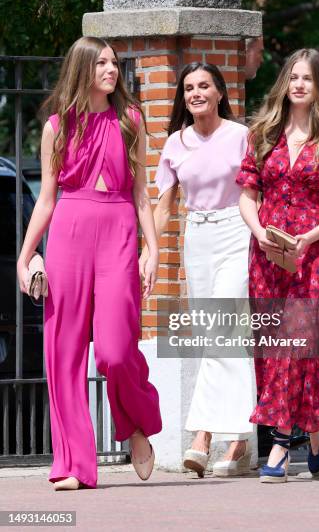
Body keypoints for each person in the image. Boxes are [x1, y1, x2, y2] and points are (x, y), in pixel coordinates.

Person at [16, 37, 162, 490]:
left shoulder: (131, 120)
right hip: (69, 234)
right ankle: (75, 465)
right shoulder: (57, 127)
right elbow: (45, 200)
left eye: (114, 63)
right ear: (82, 68)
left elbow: (141, 193)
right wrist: (26, 256)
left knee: (117, 351)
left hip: (118, 231)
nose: (111, 69)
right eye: (101, 62)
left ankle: (137, 426)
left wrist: (152, 249)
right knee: (64, 354)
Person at [237, 48, 319, 483]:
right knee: (278, 346)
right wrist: (258, 232)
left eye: (307, 79)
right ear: (284, 83)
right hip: (269, 255)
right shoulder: (262, 134)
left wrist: (309, 238)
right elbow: (247, 196)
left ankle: (279, 443)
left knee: (303, 342)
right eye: (293, 77)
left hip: (318, 255)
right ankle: (315, 431)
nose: (298, 85)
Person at [142, 62, 255, 477]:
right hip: (197, 237)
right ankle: (239, 441)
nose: (196, 93)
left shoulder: (242, 136)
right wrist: (150, 253)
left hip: (235, 232)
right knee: (217, 334)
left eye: (204, 85)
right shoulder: (175, 142)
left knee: (222, 329)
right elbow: (165, 205)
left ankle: (203, 435)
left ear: (220, 92)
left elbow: (254, 193)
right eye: (188, 88)